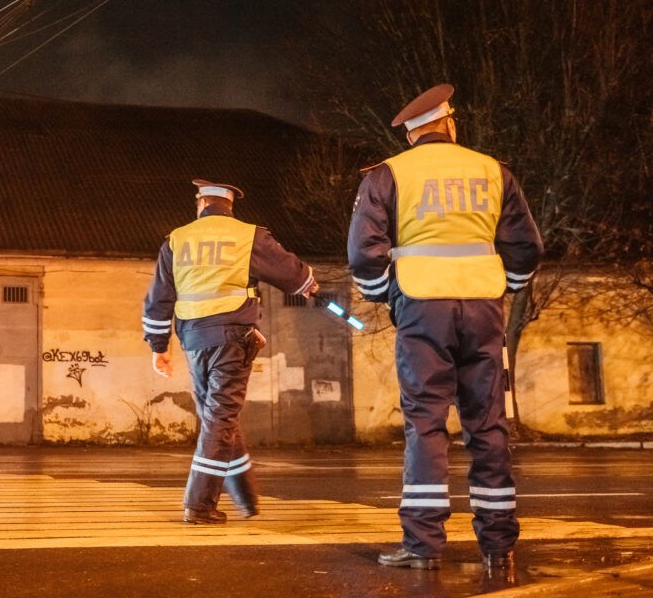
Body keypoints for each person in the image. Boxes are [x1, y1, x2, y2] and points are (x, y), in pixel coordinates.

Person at [347, 84, 544, 571]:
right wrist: (506, 285)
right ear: (450, 124)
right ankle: (499, 545)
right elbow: (526, 248)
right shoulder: (493, 170)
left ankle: (423, 544)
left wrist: (385, 293)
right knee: (488, 422)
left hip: (421, 309)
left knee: (425, 422)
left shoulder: (388, 174)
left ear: (412, 134)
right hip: (483, 308)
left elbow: (363, 252)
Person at [142, 178, 317, 524]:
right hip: (233, 339)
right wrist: (309, 284)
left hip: (194, 340)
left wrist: (158, 347)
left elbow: (158, 299)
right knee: (220, 419)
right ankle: (199, 504)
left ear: (200, 204)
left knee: (218, 418)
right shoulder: (248, 236)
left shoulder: (176, 240)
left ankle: (246, 499)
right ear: (229, 206)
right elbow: (292, 274)